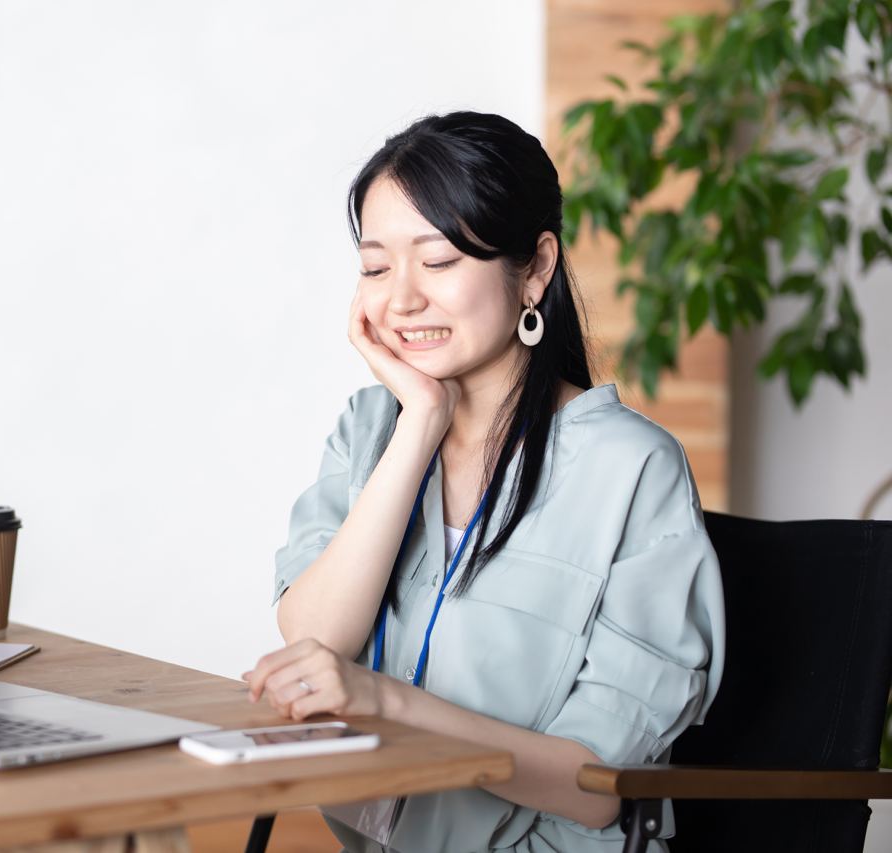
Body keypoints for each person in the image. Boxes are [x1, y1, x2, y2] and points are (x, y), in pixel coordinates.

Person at [241, 111, 726, 852]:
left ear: (535, 266)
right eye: (375, 267)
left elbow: (596, 790)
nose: (400, 298)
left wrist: (383, 700)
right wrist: (420, 421)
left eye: (436, 261)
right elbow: (315, 640)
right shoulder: (370, 430)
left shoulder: (632, 471)